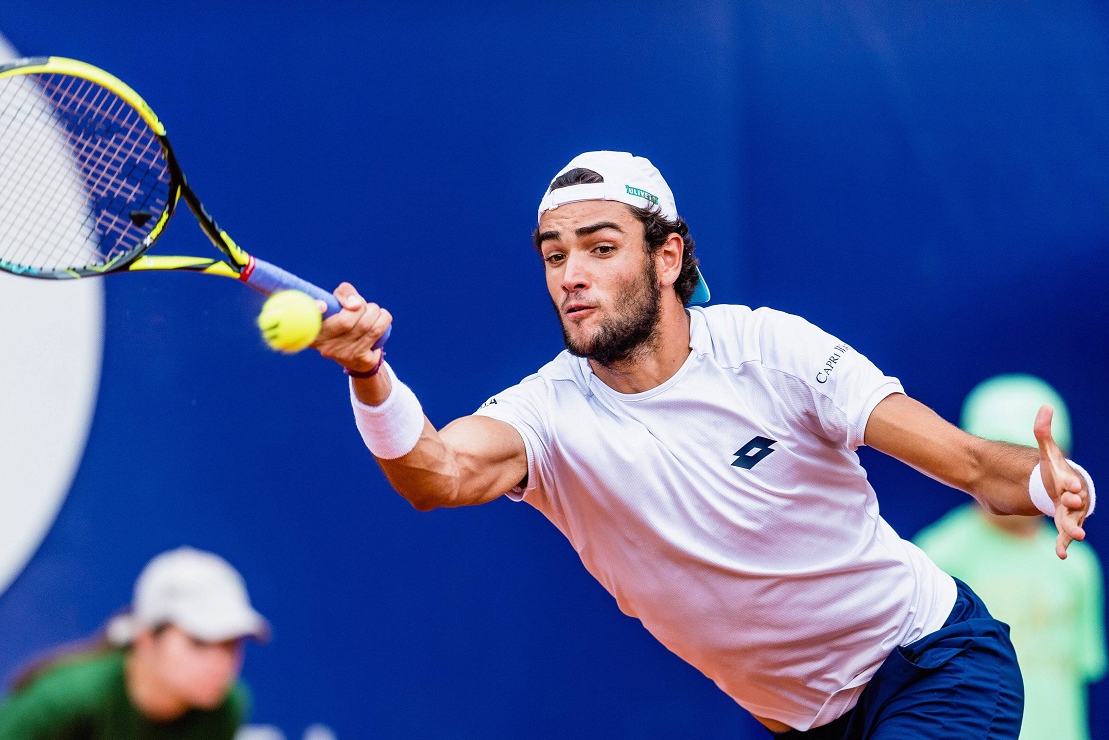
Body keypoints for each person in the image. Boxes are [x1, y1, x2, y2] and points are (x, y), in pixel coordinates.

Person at [303, 151, 1096, 737]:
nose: (571, 274)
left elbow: (968, 463)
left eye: (600, 247)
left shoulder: (774, 351)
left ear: (667, 256)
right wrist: (369, 374)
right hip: (803, 725)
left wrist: (1045, 482)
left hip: (930, 667)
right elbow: (434, 474)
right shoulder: (543, 416)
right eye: (554, 255)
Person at [915, 375, 1106, 740]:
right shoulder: (935, 557)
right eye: (1004, 462)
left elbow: (1082, 672)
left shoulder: (1079, 565)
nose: (1019, 479)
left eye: (1035, 463)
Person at [0, 547, 269, 739]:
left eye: (230, 645)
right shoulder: (69, 699)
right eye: (199, 642)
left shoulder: (225, 708)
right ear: (146, 639)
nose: (220, 664)